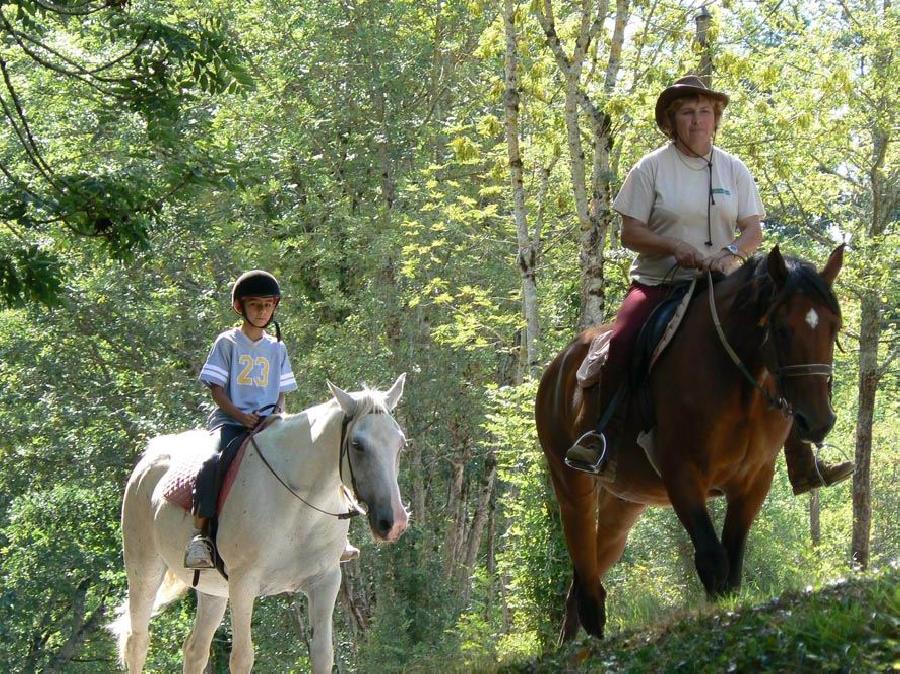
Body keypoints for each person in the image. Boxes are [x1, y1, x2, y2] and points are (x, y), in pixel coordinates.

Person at [564, 76, 853, 495]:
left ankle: (803, 459)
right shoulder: (650, 168)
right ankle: (601, 439)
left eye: (704, 111)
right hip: (660, 280)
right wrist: (673, 246)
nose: (697, 120)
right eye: (686, 112)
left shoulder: (734, 169)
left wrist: (732, 253)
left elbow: (753, 228)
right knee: (623, 340)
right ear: (671, 121)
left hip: (725, 282)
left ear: (716, 118)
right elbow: (630, 232)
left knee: (788, 341)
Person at [184, 270, 359, 569]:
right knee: (212, 463)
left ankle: (333, 534)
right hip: (230, 420)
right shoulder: (227, 342)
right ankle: (201, 537)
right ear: (241, 307)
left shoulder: (277, 348)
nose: (262, 311)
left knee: (315, 457)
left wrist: (276, 415)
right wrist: (241, 415)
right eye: (255, 305)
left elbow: (281, 393)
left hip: (269, 423)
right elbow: (216, 389)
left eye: (268, 305)